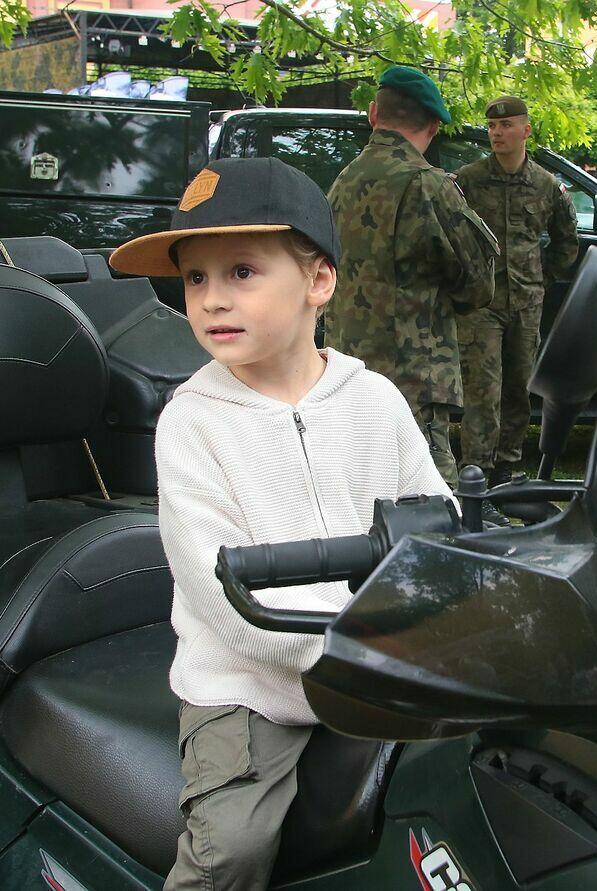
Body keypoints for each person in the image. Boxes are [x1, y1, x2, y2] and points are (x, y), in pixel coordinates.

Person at [107, 157, 453, 890]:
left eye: (241, 272)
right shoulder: (192, 423)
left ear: (318, 281)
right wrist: (355, 658)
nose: (211, 299)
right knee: (233, 846)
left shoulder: (375, 399)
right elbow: (218, 592)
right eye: (195, 278)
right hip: (250, 685)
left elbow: (435, 520)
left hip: (379, 664)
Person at [326, 66, 500, 487]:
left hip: (346, 369)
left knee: (363, 488)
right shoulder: (427, 184)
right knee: (430, 499)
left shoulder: (342, 182)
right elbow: (479, 285)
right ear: (434, 126)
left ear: (373, 113)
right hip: (413, 376)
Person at [454, 95, 579, 522]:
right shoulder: (468, 181)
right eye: (492, 126)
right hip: (482, 303)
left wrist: (542, 278)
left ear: (526, 130)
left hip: (526, 302)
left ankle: (507, 469)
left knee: (519, 388)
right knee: (483, 391)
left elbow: (566, 241)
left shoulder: (546, 185)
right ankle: (476, 477)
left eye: (506, 125)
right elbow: (449, 234)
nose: (497, 133)